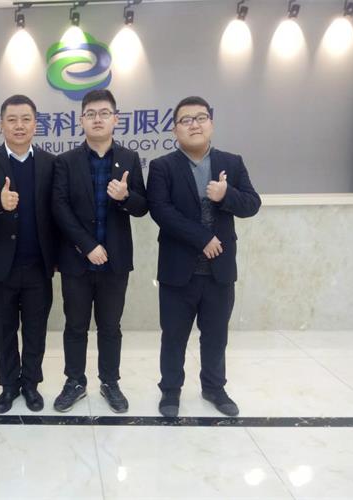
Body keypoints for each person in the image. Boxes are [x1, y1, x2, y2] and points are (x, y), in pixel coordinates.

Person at [147, 95, 261, 417]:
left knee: (216, 336)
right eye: (185, 120)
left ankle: (214, 388)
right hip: (177, 270)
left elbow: (252, 204)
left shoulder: (232, 163)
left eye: (200, 118)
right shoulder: (162, 167)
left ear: (211, 123)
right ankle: (170, 391)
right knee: (173, 337)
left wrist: (226, 195)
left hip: (219, 271)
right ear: (175, 129)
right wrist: (203, 238)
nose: (194, 125)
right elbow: (161, 211)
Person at [52, 89, 148, 413]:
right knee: (75, 326)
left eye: (104, 113)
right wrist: (87, 245)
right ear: (81, 120)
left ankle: (110, 382)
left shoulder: (129, 159)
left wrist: (125, 197)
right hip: (76, 261)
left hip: (115, 263)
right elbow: (59, 207)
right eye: (90, 114)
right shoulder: (65, 161)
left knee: (110, 327)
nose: (97, 119)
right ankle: (74, 382)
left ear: (115, 119)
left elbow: (142, 206)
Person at [0, 95, 57, 414]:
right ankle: (8, 386)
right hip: (1, 266)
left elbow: (58, 212)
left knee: (35, 329)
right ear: (1, 124)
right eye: (12, 119)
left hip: (39, 265)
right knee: (4, 329)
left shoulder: (49, 163)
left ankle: (30, 384)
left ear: (35, 124)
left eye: (26, 119)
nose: (19, 125)